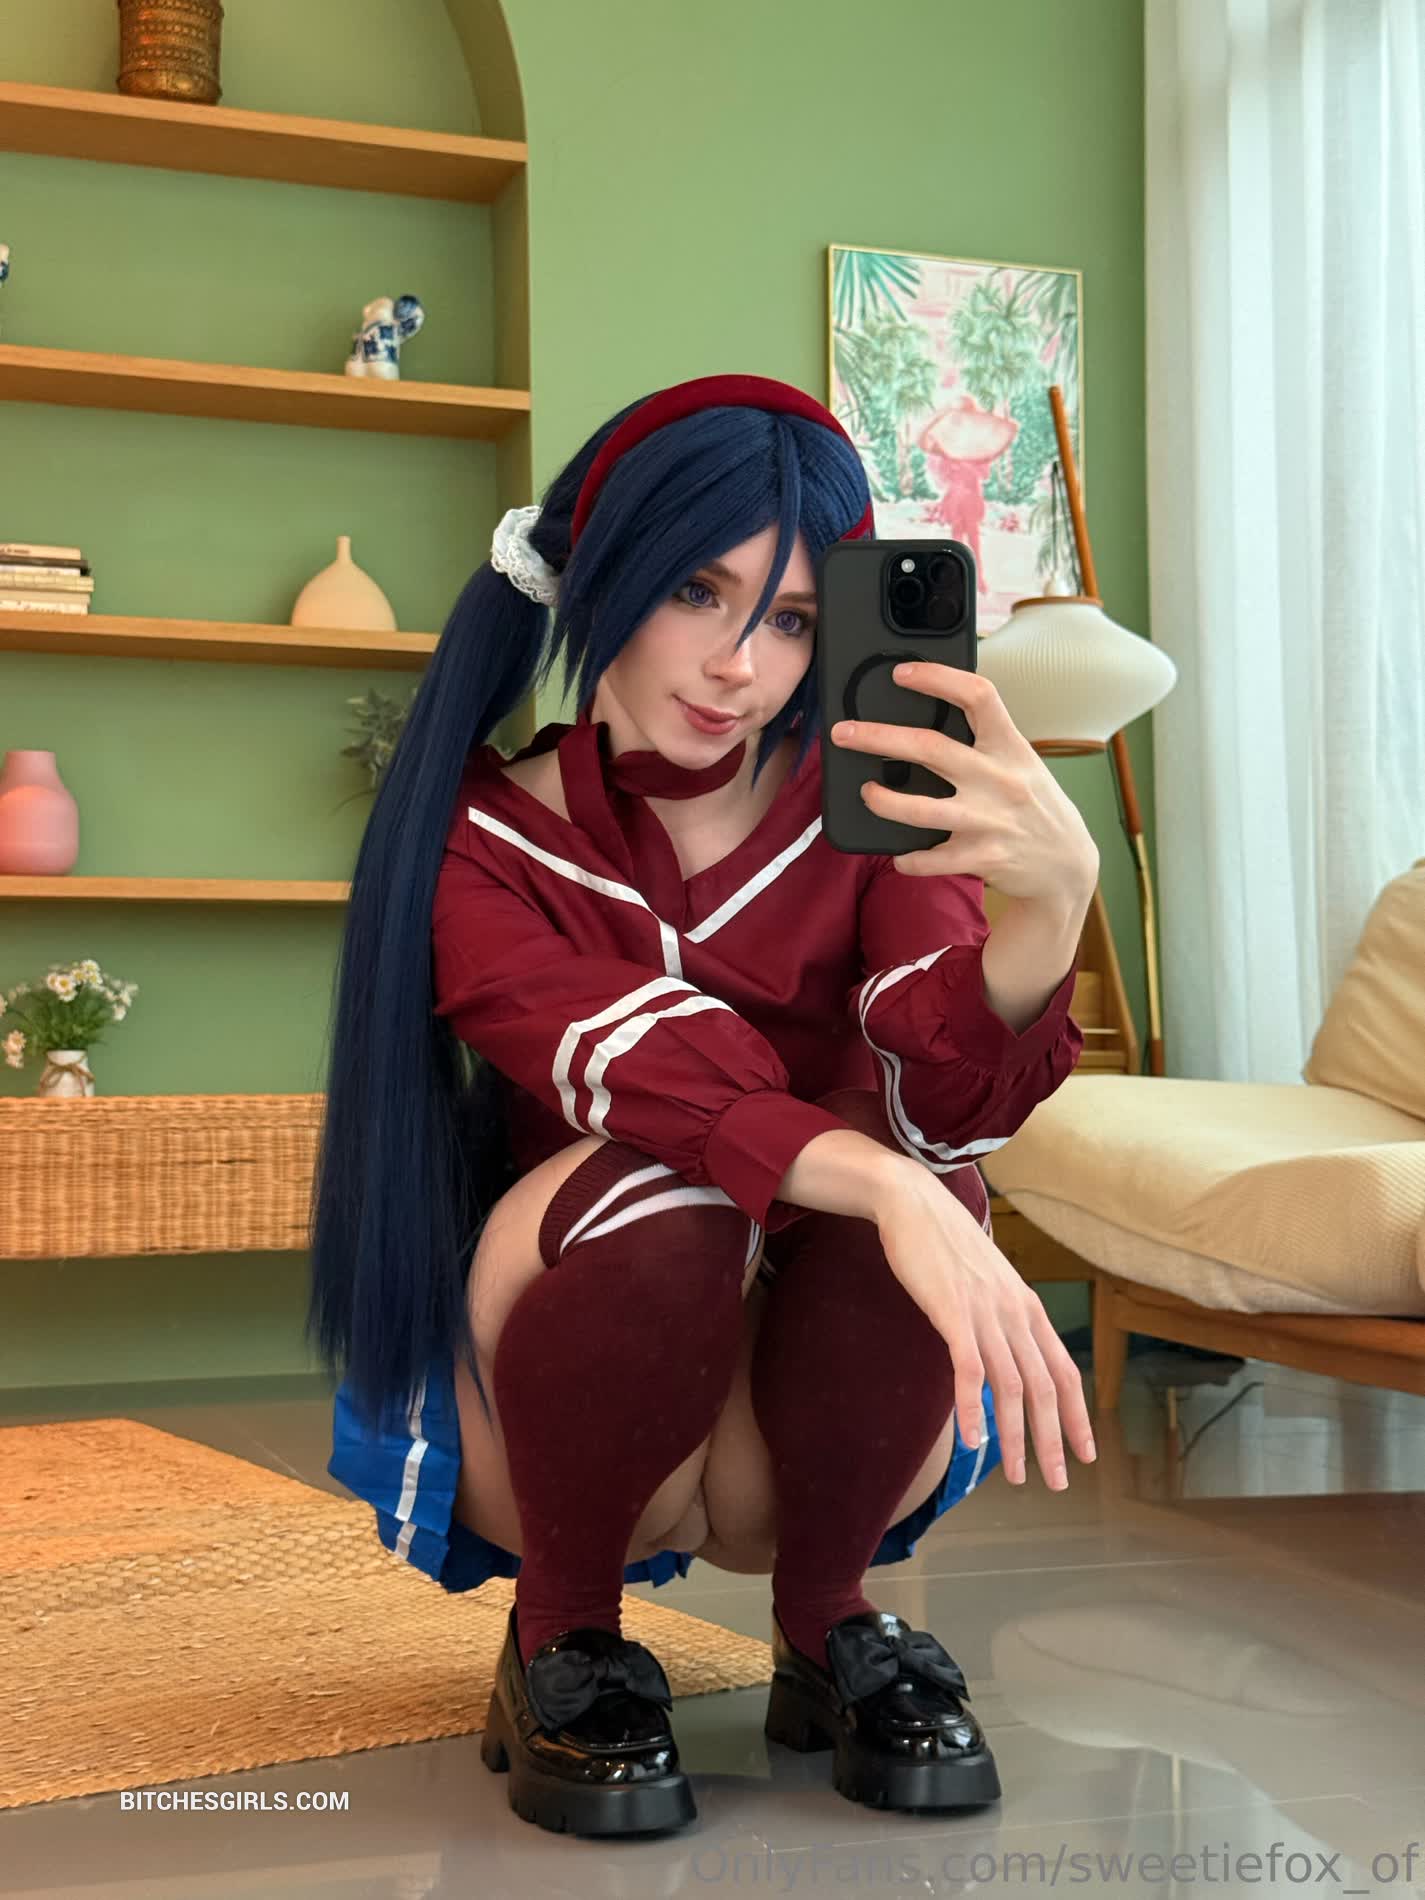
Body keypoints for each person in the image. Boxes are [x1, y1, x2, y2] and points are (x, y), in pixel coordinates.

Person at [306, 372, 1099, 1840]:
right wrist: (881, 1179)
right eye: (695, 592)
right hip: (571, 1381)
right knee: (678, 1180)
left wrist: (1051, 913)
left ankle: (827, 1618)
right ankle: (565, 1630)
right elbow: (640, 1063)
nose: (739, 665)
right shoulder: (476, 833)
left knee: (914, 1172)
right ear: (600, 575)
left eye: (791, 619)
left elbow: (942, 1095)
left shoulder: (867, 814)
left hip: (805, 1407)